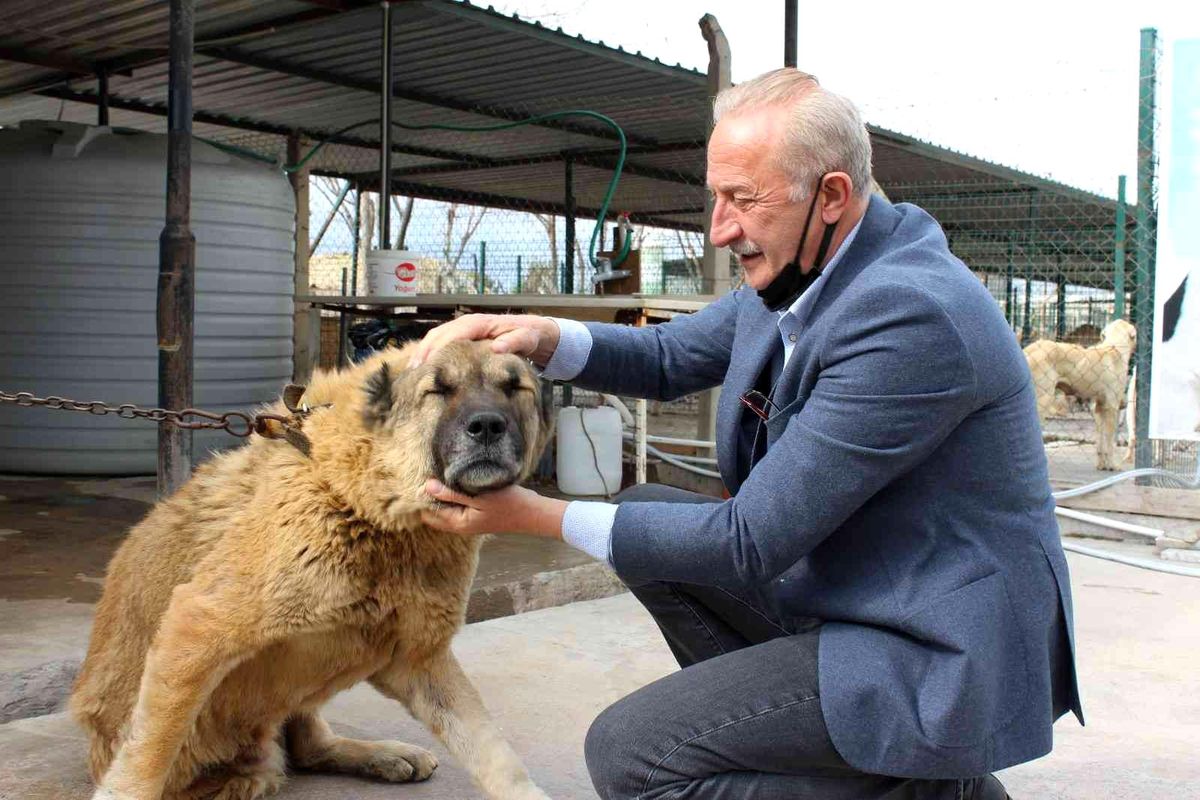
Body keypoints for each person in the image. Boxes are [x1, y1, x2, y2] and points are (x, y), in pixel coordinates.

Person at [412, 68, 1082, 799]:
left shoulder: (910, 315)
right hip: (861, 595)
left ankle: (924, 785)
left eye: (744, 200)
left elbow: (749, 542)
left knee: (631, 757)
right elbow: (671, 357)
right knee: (645, 516)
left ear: (831, 195)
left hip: (932, 648)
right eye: (716, 198)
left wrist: (535, 517)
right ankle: (849, 763)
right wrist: (540, 336)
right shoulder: (808, 268)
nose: (720, 229)